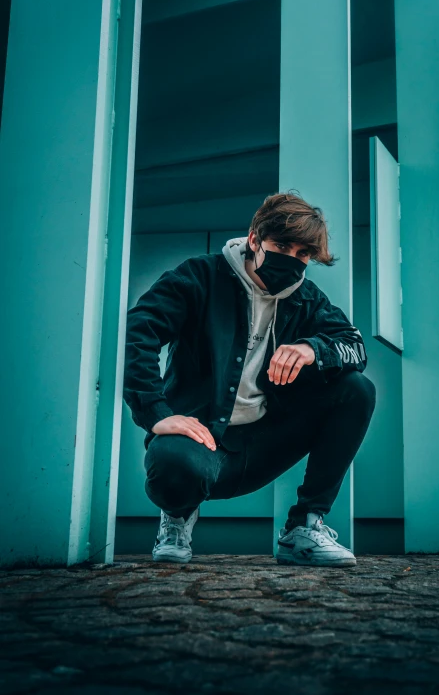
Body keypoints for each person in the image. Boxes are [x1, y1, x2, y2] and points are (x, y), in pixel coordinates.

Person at [123, 191, 376, 567]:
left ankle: (303, 527)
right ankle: (177, 517)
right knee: (173, 465)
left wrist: (314, 349)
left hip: (266, 442)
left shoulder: (307, 299)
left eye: (302, 254)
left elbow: (355, 348)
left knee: (356, 389)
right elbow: (138, 331)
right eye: (282, 246)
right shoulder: (199, 277)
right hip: (202, 442)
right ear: (255, 239)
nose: (291, 261)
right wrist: (156, 412)